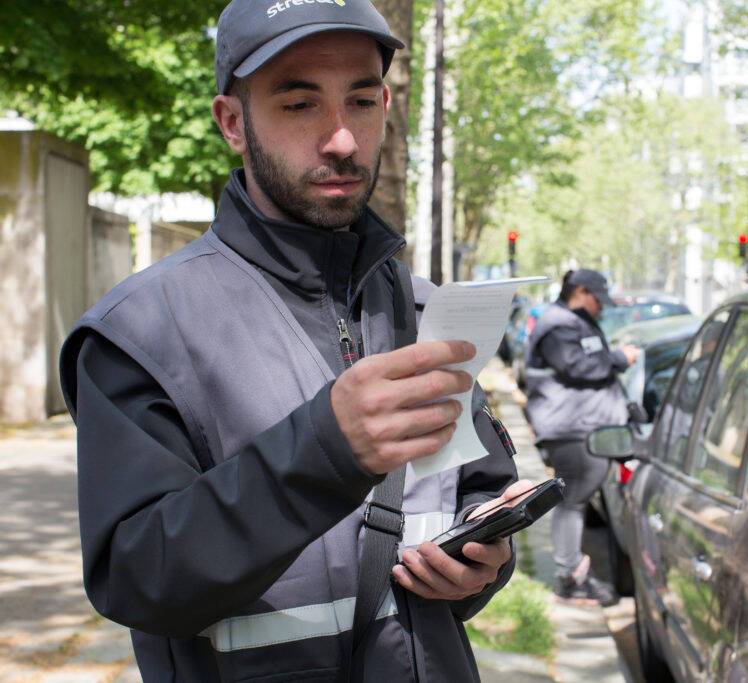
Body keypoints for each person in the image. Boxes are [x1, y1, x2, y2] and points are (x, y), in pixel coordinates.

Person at [58, 1, 529, 680]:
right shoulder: (140, 331)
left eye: (361, 101)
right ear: (232, 123)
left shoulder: (426, 310)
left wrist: (484, 562)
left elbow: (472, 497)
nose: (341, 138)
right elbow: (138, 578)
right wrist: (325, 451)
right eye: (299, 104)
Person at [524, 269, 639, 605]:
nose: (601, 307)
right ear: (580, 291)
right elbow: (579, 366)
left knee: (575, 499)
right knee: (573, 499)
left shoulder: (572, 322)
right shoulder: (559, 325)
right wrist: (620, 359)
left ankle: (572, 571)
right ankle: (570, 575)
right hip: (570, 429)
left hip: (582, 425)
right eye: (597, 299)